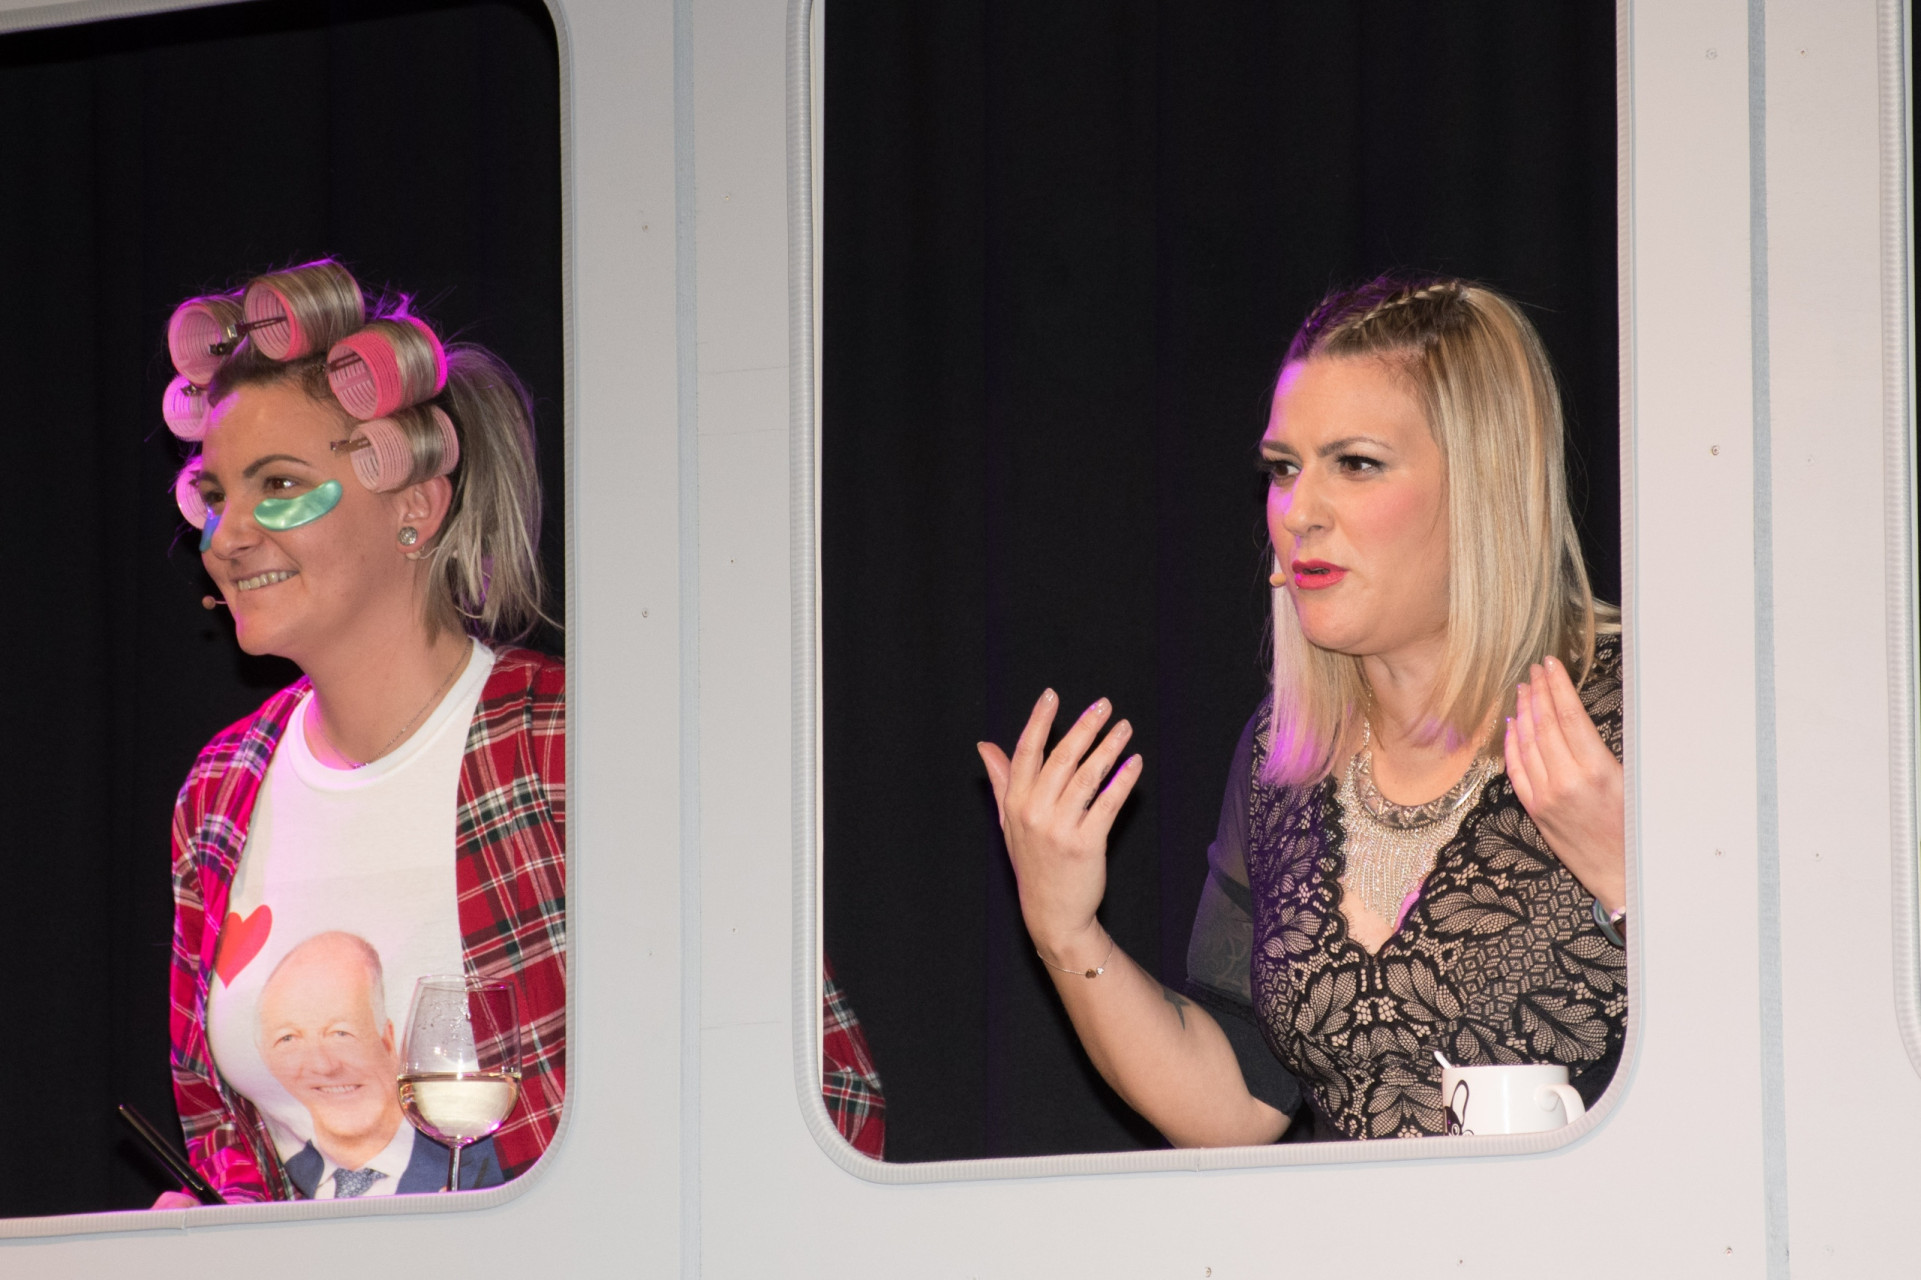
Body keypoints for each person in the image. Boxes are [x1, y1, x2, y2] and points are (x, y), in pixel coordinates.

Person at [978, 275, 1625, 1144]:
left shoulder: (1639, 709)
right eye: (1284, 469)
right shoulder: (1282, 755)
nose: (1299, 513)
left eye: (1355, 464)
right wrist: (1065, 929)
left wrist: (1631, 880)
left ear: (1485, 484)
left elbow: (1780, 1032)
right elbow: (1235, 1106)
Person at [257, 932, 501, 1197]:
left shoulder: (484, 1173)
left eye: (341, 1033)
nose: (323, 1066)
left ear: (388, 1039)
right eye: (288, 1038)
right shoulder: (275, 1179)